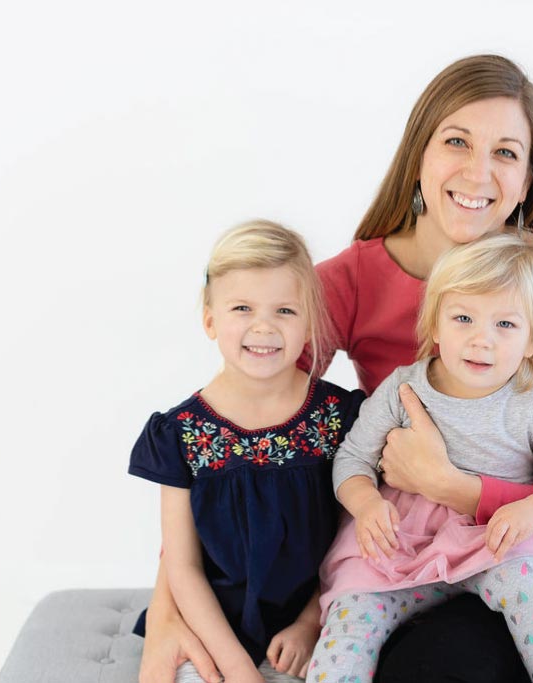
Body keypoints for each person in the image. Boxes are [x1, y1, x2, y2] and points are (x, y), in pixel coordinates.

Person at [138, 55, 533, 683]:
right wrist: (165, 608)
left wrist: (461, 489)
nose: (478, 172)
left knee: (439, 670)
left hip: (517, 556)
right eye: (457, 141)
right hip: (394, 547)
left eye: (506, 152)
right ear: (418, 157)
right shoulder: (349, 281)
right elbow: (232, 424)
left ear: (530, 178)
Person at [308, 233, 533, 683]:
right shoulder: (403, 387)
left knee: (532, 587)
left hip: (492, 539)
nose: (481, 340)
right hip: (402, 543)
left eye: (505, 325)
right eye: (463, 318)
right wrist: (367, 504)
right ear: (434, 326)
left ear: (532, 340)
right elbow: (352, 459)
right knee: (351, 616)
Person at [129, 221, 365, 683]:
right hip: (214, 624)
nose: (264, 326)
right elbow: (182, 566)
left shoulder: (340, 416)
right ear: (211, 319)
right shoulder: (181, 432)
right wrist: (238, 668)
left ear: (311, 322)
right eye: (242, 308)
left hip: (321, 612)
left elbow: (350, 541)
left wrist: (308, 624)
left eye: (284, 310)